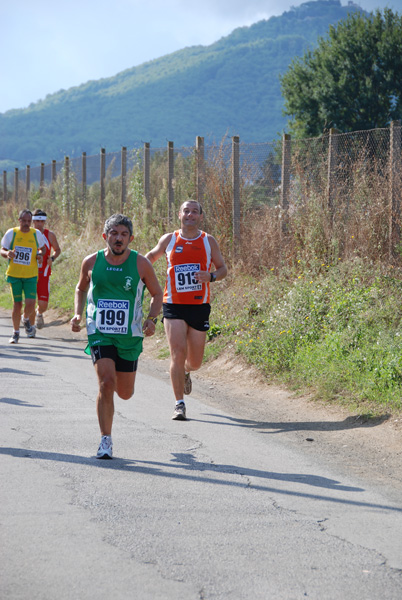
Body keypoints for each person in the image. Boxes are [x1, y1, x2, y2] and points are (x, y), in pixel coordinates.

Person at [70, 214, 163, 459]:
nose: (118, 238)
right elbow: (80, 288)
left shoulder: (141, 263)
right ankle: (105, 440)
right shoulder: (91, 262)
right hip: (99, 331)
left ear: (131, 238)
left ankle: (110, 424)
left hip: (130, 336)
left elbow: (157, 293)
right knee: (106, 383)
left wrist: (152, 319)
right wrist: (77, 315)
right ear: (105, 236)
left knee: (124, 392)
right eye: (114, 233)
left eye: (123, 234)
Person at [146, 200, 227, 421]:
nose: (190, 215)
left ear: (200, 216)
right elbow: (149, 258)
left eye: (194, 212)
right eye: (186, 211)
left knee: (196, 361)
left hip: (199, 306)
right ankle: (179, 403)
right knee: (177, 353)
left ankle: (187, 372)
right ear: (179, 214)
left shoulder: (208, 240)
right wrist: (137, 270)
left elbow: (222, 269)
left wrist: (210, 276)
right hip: (173, 304)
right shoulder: (169, 239)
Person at [1, 209, 46, 343]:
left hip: (31, 275)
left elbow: (42, 248)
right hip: (14, 275)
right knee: (17, 304)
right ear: (19, 220)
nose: (27, 224)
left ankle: (25, 318)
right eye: (24, 221)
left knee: (31, 304)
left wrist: (40, 254)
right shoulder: (12, 233)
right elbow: (2, 249)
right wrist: (8, 253)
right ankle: (15, 333)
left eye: (29, 221)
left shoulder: (36, 234)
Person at [29, 209, 61, 329]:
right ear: (33, 221)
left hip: (44, 273)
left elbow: (57, 250)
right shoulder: (28, 233)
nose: (39, 223)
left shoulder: (50, 235)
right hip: (29, 273)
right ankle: (31, 328)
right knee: (30, 302)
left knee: (43, 304)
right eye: (36, 221)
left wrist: (52, 259)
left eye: (41, 221)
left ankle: (39, 313)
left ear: (44, 222)